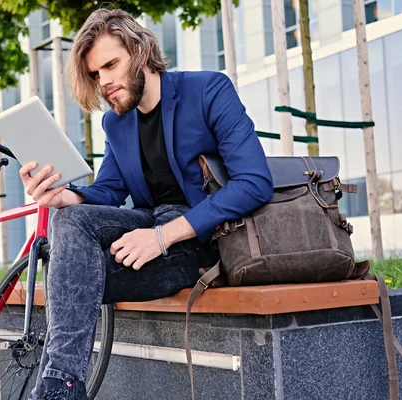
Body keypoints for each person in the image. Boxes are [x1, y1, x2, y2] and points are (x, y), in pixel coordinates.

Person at [20, 8, 273, 400]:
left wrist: (162, 237)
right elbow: (108, 190)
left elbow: (254, 182)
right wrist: (63, 196)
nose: (104, 82)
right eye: (94, 74)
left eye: (110, 65)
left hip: (200, 239)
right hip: (147, 223)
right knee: (70, 221)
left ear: (139, 51)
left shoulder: (208, 90)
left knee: (72, 276)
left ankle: (56, 388)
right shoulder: (116, 124)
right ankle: (62, 386)